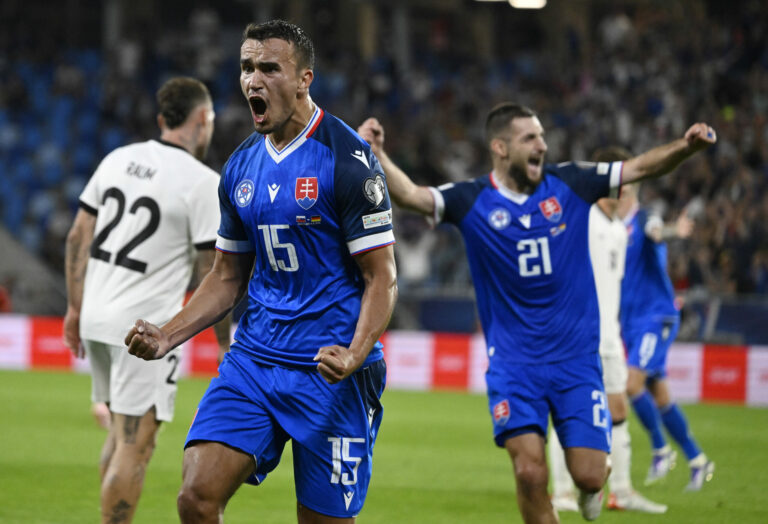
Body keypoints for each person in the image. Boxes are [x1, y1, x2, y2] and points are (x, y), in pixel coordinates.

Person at [358, 105, 715, 523]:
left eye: (542, 136)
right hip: (514, 365)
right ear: (500, 147)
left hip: (575, 362)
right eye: (529, 138)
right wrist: (378, 156)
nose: (541, 145)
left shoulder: (571, 182)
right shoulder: (472, 199)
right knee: (529, 472)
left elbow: (638, 167)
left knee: (589, 475)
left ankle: (595, 486)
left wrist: (685, 148)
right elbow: (412, 196)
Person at [124, 20, 397, 523]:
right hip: (255, 359)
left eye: (270, 68)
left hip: (328, 370)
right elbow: (226, 276)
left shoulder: (348, 161)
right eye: (247, 67)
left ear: (304, 79)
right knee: (195, 499)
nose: (254, 79)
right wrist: (167, 335)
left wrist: (356, 352)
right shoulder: (240, 166)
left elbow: (382, 277)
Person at [63, 76, 230, 523]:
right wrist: (224, 341)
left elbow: (78, 235)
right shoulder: (202, 182)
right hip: (144, 333)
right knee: (136, 447)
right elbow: (213, 272)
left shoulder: (119, 158)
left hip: (96, 317)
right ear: (203, 119)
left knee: (120, 438)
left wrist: (75, 308)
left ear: (161, 119)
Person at [547, 147, 666, 515]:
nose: (628, 188)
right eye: (623, 180)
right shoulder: (583, 218)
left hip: (610, 337)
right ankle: (562, 493)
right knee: (567, 413)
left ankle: (622, 492)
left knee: (618, 410)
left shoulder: (618, 229)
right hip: (576, 336)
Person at [617, 180, 715, 491]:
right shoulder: (614, 227)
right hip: (632, 323)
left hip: (655, 317)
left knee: (632, 384)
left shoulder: (644, 218)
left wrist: (675, 230)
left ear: (627, 191)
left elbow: (657, 232)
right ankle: (698, 460)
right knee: (661, 396)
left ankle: (661, 449)